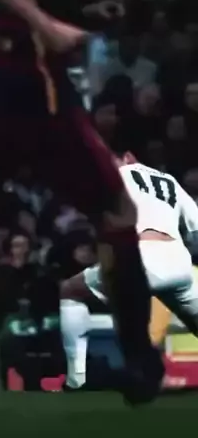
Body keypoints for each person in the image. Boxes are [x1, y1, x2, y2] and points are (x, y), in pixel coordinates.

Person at [0, 0, 162, 404]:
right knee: (117, 211)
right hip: (33, 84)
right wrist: (47, 27)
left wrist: (81, 15)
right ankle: (140, 360)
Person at [60, 152, 198, 390]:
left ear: (126, 157)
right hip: (177, 262)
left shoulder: (112, 179)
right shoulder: (168, 180)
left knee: (70, 291)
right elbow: (195, 230)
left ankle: (77, 378)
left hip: (137, 258)